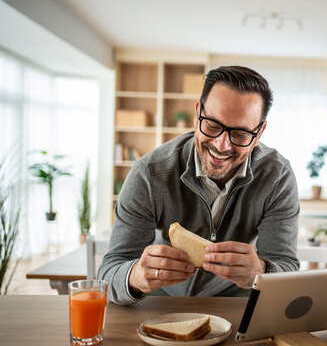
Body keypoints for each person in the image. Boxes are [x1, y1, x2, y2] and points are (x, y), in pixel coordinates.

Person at [99, 66, 300, 305]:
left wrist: (261, 273)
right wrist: (137, 277)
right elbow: (109, 273)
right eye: (212, 126)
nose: (222, 145)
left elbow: (286, 269)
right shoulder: (148, 174)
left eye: (241, 134)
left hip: (238, 298)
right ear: (197, 113)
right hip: (161, 299)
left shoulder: (278, 177)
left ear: (259, 133)